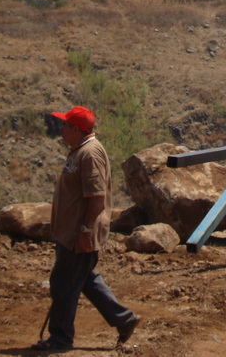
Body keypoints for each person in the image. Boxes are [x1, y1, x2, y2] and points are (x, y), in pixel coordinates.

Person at [31, 105, 140, 351]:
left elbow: (96, 197)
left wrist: (84, 229)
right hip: (72, 231)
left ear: (76, 129)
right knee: (83, 279)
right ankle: (124, 319)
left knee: (63, 283)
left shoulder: (89, 154)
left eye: (65, 125)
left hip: (78, 233)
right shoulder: (79, 150)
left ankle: (60, 338)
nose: (61, 128)